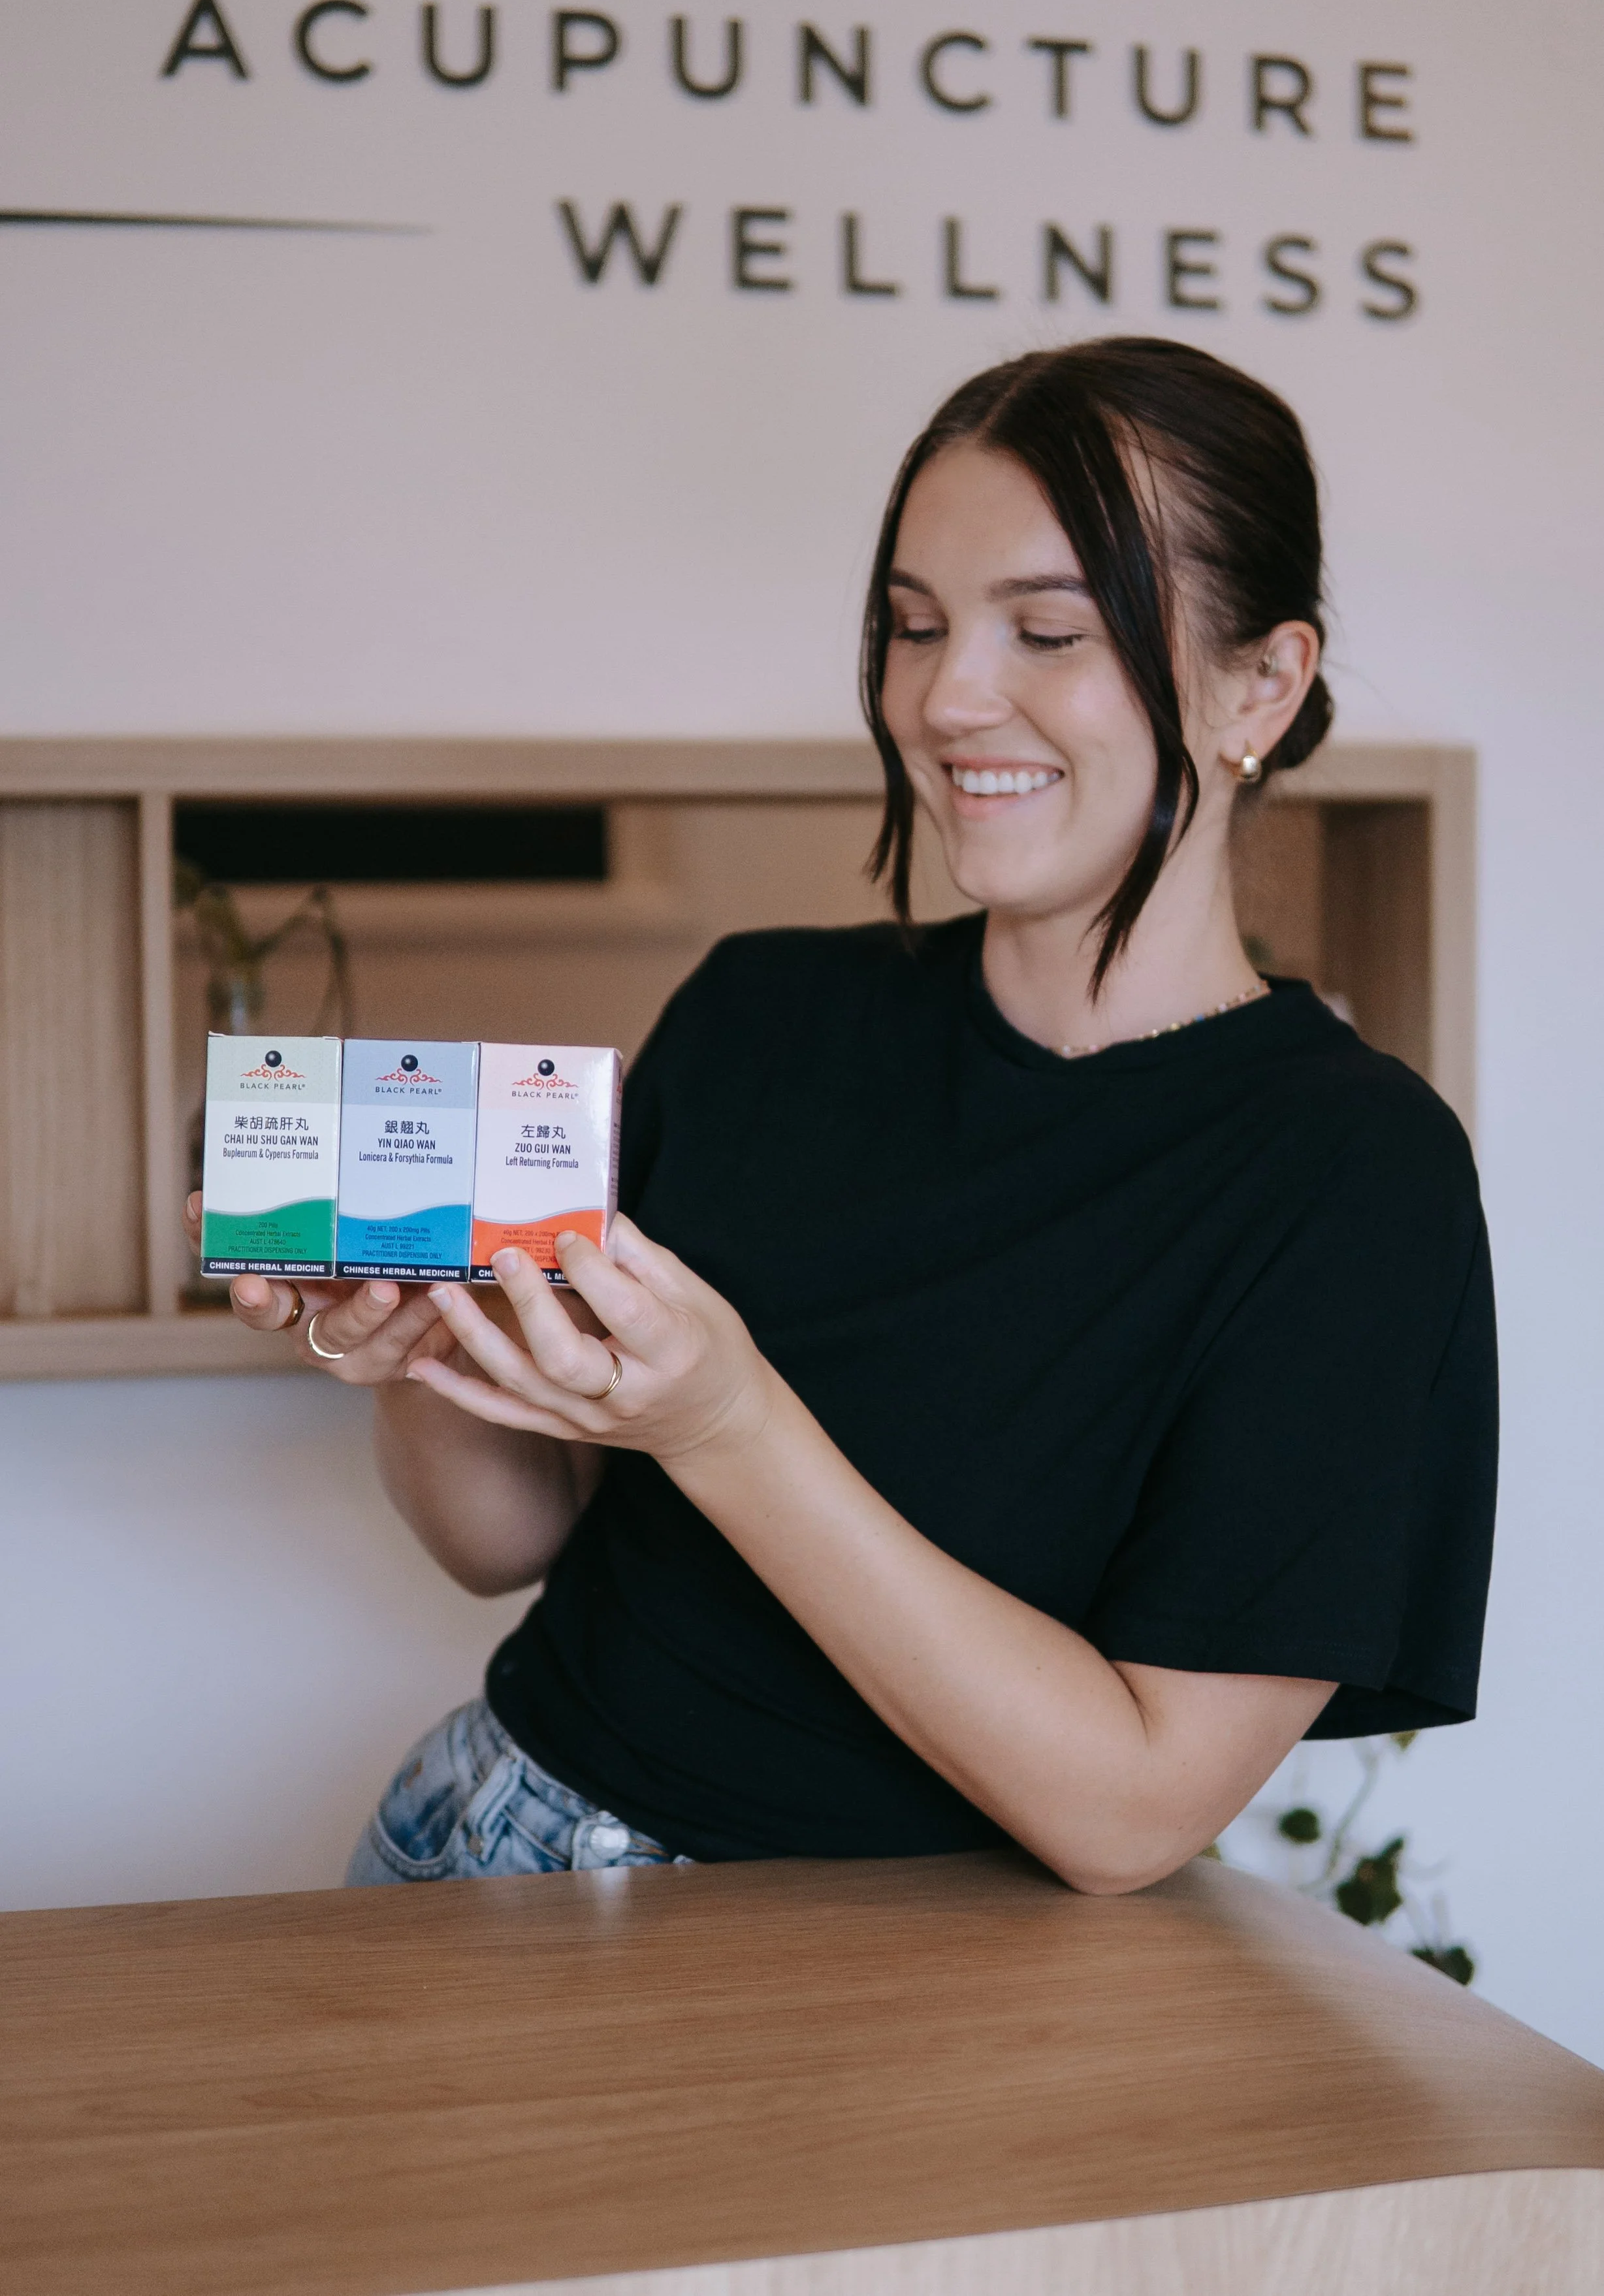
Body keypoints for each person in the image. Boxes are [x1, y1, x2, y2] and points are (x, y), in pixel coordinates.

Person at [188, 338, 1498, 1895]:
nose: (948, 698)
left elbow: (1132, 1814)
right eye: (913, 625)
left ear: (1260, 684)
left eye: (1048, 629)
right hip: (482, 1837)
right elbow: (505, 1538)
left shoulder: (1351, 1176)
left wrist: (730, 1423)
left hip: (874, 1981)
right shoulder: (762, 1014)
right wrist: (411, 1352)